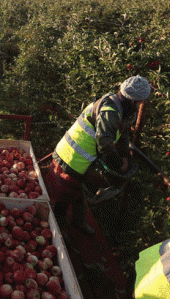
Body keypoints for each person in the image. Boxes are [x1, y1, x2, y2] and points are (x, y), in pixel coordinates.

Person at [48, 75, 150, 236]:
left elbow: (121, 133)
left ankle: (78, 222)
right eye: (140, 102)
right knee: (64, 194)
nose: (140, 105)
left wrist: (124, 153)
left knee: (78, 191)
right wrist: (119, 164)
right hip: (72, 156)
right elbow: (105, 145)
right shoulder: (109, 112)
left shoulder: (119, 107)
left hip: (81, 156)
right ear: (133, 100)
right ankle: (58, 228)